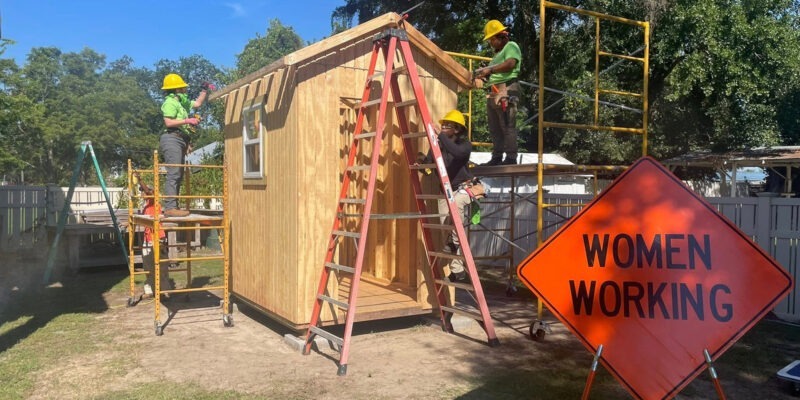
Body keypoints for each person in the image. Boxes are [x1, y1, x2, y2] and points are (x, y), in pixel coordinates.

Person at [418, 110, 476, 283]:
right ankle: (457, 270)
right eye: (442, 125)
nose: (443, 128)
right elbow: (430, 164)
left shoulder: (465, 145)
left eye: (447, 126)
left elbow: (457, 153)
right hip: (445, 191)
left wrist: (439, 137)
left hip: (464, 188)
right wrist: (422, 164)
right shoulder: (438, 144)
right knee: (447, 228)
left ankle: (454, 248)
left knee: (455, 222)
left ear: (457, 130)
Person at [159, 73, 213, 217]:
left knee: (179, 173)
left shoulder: (180, 101)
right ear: (176, 89)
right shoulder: (169, 103)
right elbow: (168, 122)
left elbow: (197, 104)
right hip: (172, 138)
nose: (185, 89)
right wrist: (188, 121)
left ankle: (173, 206)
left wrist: (204, 90)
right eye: (182, 87)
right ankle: (170, 208)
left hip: (180, 139)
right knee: (174, 172)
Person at [473, 19, 522, 166]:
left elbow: (510, 64)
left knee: (507, 126)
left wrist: (490, 69)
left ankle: (511, 158)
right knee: (495, 128)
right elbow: (493, 71)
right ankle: (497, 157)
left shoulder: (511, 46)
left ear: (501, 36)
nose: (490, 43)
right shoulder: (496, 56)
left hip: (506, 89)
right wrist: (484, 73)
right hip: (494, 91)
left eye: (491, 39)